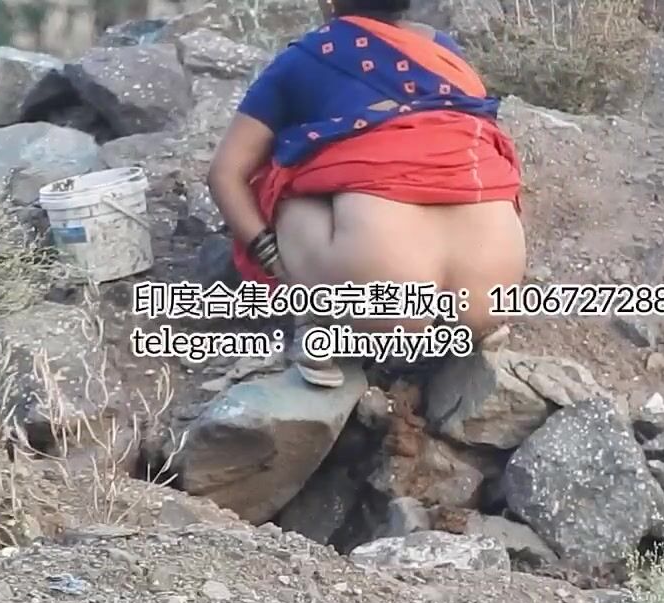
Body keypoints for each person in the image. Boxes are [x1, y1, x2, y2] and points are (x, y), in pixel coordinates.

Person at [206, 0, 525, 388]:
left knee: (280, 179)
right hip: (491, 295)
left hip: (381, 306)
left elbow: (225, 174)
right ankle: (478, 331)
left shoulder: (307, 58)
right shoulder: (445, 54)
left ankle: (317, 325)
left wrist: (273, 262)